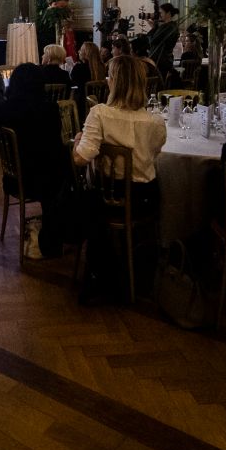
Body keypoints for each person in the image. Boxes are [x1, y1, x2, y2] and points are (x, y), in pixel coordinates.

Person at [74, 54, 167, 301]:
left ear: (113, 82)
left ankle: (99, 271)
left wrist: (76, 142)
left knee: (84, 196)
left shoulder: (100, 114)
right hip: (145, 197)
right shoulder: (156, 122)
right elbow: (156, 152)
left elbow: (81, 158)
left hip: (108, 197)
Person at [0, 64, 67, 237]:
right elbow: (55, 145)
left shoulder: (1, 109)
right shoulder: (51, 109)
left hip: (16, 180)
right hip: (50, 180)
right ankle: (54, 230)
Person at [148, 3, 181, 69]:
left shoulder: (168, 27)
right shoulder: (172, 26)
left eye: (161, 13)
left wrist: (153, 29)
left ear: (168, 13)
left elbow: (152, 41)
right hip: (165, 59)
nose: (160, 15)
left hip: (160, 60)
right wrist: (154, 28)